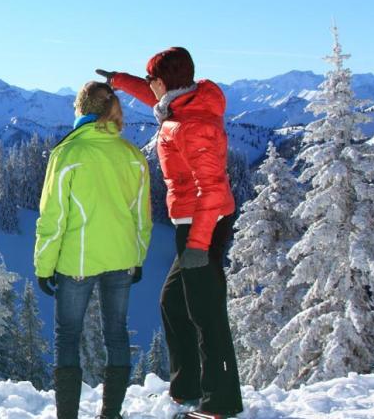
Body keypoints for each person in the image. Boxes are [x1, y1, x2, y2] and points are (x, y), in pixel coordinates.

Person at [98, 47, 243, 419]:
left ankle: (220, 403)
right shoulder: (182, 104)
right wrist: (118, 81)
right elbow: (152, 97)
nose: (149, 86)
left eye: (151, 79)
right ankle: (186, 388)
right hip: (194, 222)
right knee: (174, 303)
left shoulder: (193, 124)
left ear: (164, 82)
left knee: (206, 314)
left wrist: (198, 244)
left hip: (202, 224)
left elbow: (212, 189)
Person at [34, 81, 152, 419]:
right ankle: (110, 413)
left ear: (80, 109)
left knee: (68, 336)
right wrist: (137, 257)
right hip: (122, 258)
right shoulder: (132, 155)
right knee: (116, 333)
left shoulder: (68, 154)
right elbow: (142, 216)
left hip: (78, 262)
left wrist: (44, 266)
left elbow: (53, 217)